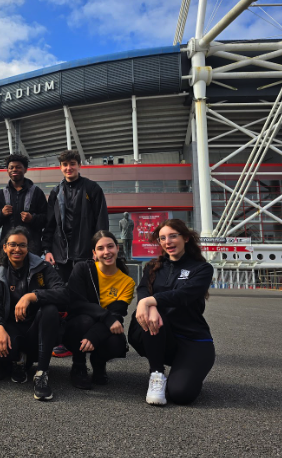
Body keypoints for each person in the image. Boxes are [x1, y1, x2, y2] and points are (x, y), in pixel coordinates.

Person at [128, 219, 215, 406]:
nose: (168, 242)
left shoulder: (202, 269)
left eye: (173, 236)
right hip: (162, 333)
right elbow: (143, 288)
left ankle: (190, 370)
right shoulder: (152, 266)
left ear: (185, 238)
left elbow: (183, 295)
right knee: (152, 317)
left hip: (193, 339)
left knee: (181, 394)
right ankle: (156, 374)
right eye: (162, 238)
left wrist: (149, 301)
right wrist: (146, 303)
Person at [0, 227, 65, 401]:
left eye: (22, 245)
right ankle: (19, 361)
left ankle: (42, 374)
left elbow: (62, 292)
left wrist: (32, 296)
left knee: (50, 309)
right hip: (12, 328)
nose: (17, 249)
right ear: (5, 247)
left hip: (38, 330)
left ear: (28, 248)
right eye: (12, 245)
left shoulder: (43, 267)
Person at [62, 230, 135, 390]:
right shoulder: (82, 269)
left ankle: (98, 364)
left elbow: (117, 315)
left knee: (117, 343)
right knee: (85, 320)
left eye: (110, 247)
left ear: (117, 248)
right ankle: (79, 365)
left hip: (103, 329)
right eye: (101, 248)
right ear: (94, 253)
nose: (106, 252)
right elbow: (77, 304)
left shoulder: (127, 282)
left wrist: (94, 335)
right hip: (76, 326)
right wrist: (105, 316)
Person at [42, 149, 109, 282]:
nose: (69, 168)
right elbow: (49, 224)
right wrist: (47, 250)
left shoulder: (92, 188)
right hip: (60, 257)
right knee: (63, 295)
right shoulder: (55, 192)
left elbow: (101, 222)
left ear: (79, 165)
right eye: (65, 164)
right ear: (60, 167)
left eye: (72, 164)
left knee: (85, 295)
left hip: (86, 255)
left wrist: (99, 248)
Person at [0, 154, 48, 255]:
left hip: (31, 249)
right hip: (8, 249)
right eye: (11, 167)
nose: (14, 170)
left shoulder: (37, 192)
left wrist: (33, 218)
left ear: (25, 169)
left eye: (18, 167)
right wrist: (1, 214)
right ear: (7, 171)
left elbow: (46, 219)